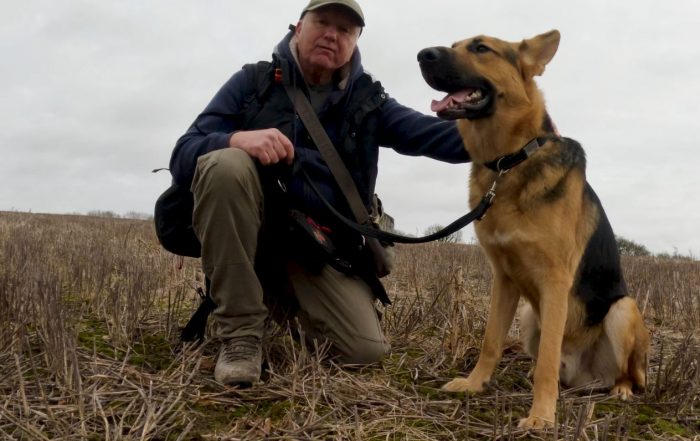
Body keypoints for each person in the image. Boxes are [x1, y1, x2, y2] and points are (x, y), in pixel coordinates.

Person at [169, 0, 470, 387]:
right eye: (322, 22)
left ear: (356, 41)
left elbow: (433, 136)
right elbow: (183, 152)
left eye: (345, 30)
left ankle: (273, 295)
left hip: (318, 246)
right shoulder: (252, 83)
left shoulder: (369, 100)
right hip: (253, 233)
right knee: (225, 163)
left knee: (362, 353)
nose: (332, 34)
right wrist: (236, 138)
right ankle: (241, 334)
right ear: (298, 28)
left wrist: (521, 133)